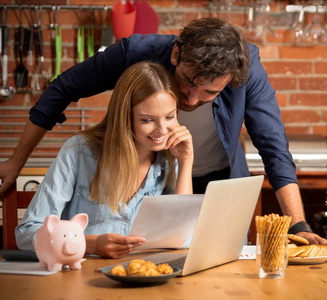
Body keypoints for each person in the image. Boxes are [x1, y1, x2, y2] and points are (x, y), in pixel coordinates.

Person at [0, 17, 327, 245]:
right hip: (156, 169)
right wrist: (16, 161)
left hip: (212, 176)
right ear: (176, 54)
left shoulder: (246, 69)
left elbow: (274, 148)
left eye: (210, 93)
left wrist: (297, 223)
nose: (192, 100)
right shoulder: (136, 54)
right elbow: (62, 88)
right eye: (189, 82)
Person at [15, 61, 194, 258]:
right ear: (125, 117)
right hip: (80, 280)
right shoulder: (79, 152)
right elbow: (27, 233)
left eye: (169, 117)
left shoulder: (169, 160)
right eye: (147, 120)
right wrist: (90, 244)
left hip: (141, 279)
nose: (162, 130)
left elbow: (183, 240)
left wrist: (186, 162)